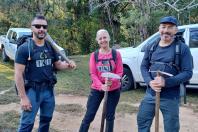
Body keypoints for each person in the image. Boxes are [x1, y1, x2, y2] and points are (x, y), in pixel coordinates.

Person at [15, 15, 76, 132]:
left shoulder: (50, 46)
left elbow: (57, 64)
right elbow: (18, 74)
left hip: (49, 90)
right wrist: (23, 97)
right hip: (32, 91)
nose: (41, 29)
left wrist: (68, 65)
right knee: (26, 124)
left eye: (44, 26)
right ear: (31, 28)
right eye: (37, 26)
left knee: (46, 120)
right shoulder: (24, 49)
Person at [137, 16, 193, 132]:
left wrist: (166, 82)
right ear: (159, 29)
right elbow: (144, 66)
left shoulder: (182, 48)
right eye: (163, 27)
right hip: (151, 94)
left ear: (176, 30)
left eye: (170, 27)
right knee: (142, 121)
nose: (166, 30)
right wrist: (149, 82)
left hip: (170, 97)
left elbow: (187, 73)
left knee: (171, 128)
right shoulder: (151, 46)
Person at [79, 29, 123, 132]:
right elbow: (93, 74)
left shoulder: (116, 54)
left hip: (113, 89)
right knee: (89, 115)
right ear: (97, 40)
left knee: (109, 116)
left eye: (105, 37)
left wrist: (111, 81)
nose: (103, 40)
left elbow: (120, 73)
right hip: (97, 88)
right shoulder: (94, 56)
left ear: (109, 38)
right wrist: (101, 86)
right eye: (100, 38)